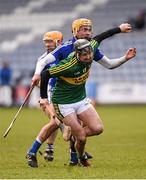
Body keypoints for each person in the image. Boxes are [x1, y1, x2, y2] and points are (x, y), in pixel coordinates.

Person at [28, 18, 132, 167]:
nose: (88, 32)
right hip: (56, 91)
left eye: (89, 29)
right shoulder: (65, 49)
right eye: (84, 29)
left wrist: (119, 31)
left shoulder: (91, 47)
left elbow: (102, 43)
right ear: (75, 31)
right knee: (55, 122)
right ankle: (34, 151)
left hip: (77, 94)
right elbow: (44, 67)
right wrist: (39, 80)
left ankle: (74, 154)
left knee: (84, 127)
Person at [26, 31, 65, 167]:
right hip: (49, 95)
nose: (47, 45)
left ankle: (49, 149)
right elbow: (39, 80)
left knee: (57, 122)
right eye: (46, 42)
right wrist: (38, 85)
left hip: (65, 94)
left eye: (50, 41)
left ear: (58, 42)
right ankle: (34, 151)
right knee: (57, 121)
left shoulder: (65, 53)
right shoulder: (43, 59)